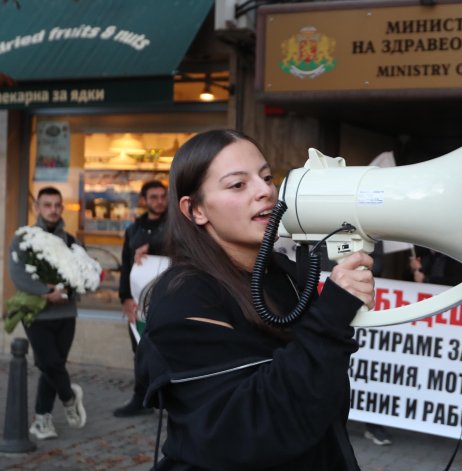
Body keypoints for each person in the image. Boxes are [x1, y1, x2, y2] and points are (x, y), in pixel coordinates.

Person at [135, 129, 374, 469]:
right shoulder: (185, 299)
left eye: (266, 177)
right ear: (196, 210)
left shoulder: (283, 276)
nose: (265, 191)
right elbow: (251, 427)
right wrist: (330, 316)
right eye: (238, 185)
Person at [7, 186, 86, 439]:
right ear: (37, 208)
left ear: (62, 208)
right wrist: (44, 291)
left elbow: (82, 274)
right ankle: (69, 397)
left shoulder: (71, 240)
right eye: (47, 205)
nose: (52, 210)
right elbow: (17, 273)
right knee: (49, 362)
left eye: (56, 205)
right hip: (37, 314)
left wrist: (67, 294)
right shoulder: (24, 238)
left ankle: (42, 420)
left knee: (54, 367)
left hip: (66, 314)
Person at [113, 180, 167, 417]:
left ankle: (169, 398)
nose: (159, 201)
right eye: (154, 197)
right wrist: (125, 298)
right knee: (140, 349)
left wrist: (151, 245)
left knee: (167, 348)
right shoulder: (133, 229)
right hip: (139, 300)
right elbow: (126, 265)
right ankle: (141, 398)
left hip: (168, 297)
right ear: (144, 200)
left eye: (163, 196)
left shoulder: (176, 224)